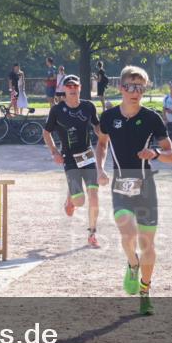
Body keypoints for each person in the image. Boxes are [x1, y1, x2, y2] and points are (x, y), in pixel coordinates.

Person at [96, 66, 172, 316]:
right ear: (121, 88)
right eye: (130, 87)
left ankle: (145, 291)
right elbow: (101, 145)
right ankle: (132, 264)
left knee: (147, 243)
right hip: (121, 183)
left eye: (140, 87)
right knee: (128, 234)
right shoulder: (108, 117)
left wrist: (155, 153)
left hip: (145, 185)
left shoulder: (152, 118)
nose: (135, 92)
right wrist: (99, 169)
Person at [43, 75, 102, 248]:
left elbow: (97, 126)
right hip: (69, 158)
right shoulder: (57, 110)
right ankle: (71, 198)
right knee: (79, 201)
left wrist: (104, 135)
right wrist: (54, 152)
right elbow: (46, 133)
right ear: (64, 89)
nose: (72, 89)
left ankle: (92, 233)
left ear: (80, 87)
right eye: (68, 86)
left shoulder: (88, 106)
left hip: (87, 155)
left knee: (94, 196)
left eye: (75, 85)